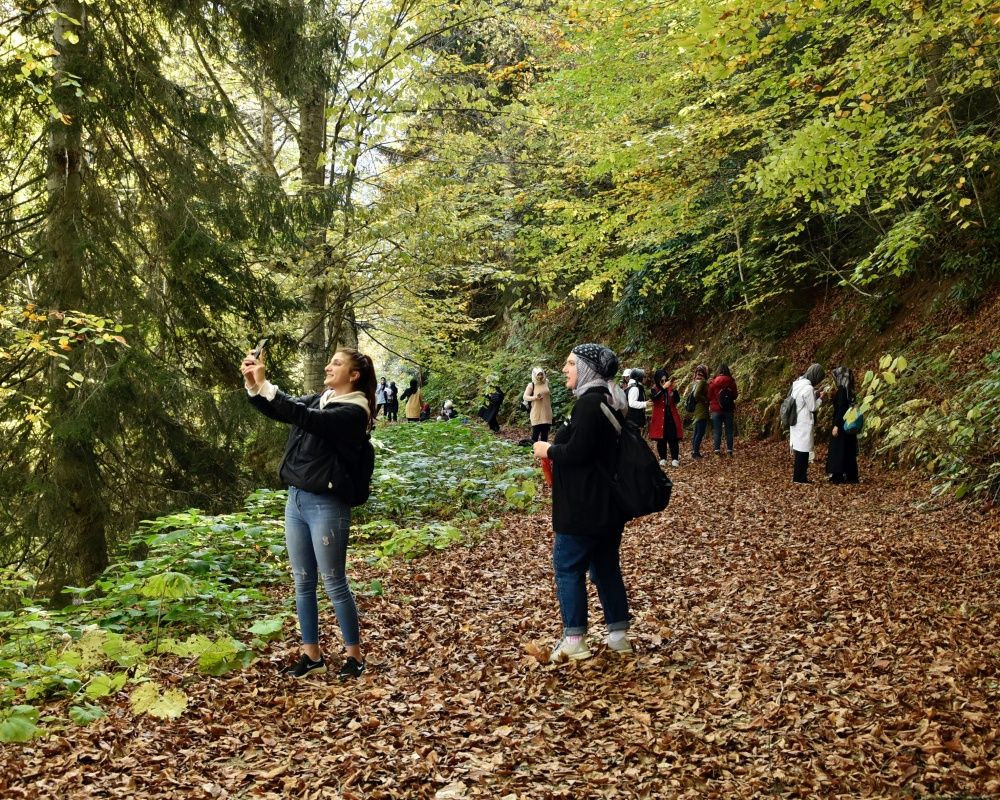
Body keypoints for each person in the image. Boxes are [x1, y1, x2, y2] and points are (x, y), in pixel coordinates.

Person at [241, 346, 373, 680]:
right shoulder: (321, 399)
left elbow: (309, 420)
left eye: (337, 363)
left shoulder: (353, 412)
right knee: (303, 582)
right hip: (297, 500)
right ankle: (311, 654)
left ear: (353, 375)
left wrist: (267, 386)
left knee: (334, 583)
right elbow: (285, 409)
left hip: (327, 504)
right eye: (329, 361)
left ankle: (354, 657)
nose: (329, 366)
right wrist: (254, 385)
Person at [532, 343, 632, 662]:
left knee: (567, 567)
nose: (565, 369)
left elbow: (579, 453)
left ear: (587, 368)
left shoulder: (589, 404)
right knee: (605, 568)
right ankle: (618, 635)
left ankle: (574, 638)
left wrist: (547, 450)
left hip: (583, 507)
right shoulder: (611, 400)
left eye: (571, 363)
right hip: (607, 507)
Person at [790, 363, 824, 484]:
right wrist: (820, 399)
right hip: (804, 422)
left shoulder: (798, 383)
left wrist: (815, 395)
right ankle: (800, 478)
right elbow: (813, 407)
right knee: (803, 452)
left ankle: (798, 477)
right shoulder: (808, 388)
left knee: (799, 451)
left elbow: (801, 401)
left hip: (796, 421)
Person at [826, 366, 859, 484]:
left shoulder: (841, 391)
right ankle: (851, 475)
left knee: (838, 450)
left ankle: (837, 475)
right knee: (849, 451)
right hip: (850, 425)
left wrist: (836, 425)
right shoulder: (851, 390)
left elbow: (841, 409)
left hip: (841, 425)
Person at [650, 368, 683, 467]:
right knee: (661, 439)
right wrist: (664, 388)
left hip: (671, 415)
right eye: (662, 380)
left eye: (665, 380)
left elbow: (677, 400)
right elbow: (655, 398)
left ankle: (675, 459)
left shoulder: (670, 388)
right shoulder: (654, 389)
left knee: (673, 438)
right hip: (659, 416)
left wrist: (675, 391)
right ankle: (663, 458)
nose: (664, 382)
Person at [707, 364, 738, 455]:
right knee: (729, 431)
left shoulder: (713, 383)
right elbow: (735, 395)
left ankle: (717, 451)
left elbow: (709, 396)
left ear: (718, 371)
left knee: (717, 431)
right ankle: (729, 451)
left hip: (716, 410)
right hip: (728, 410)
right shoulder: (731, 382)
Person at [523, 367, 553, 443]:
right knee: (535, 435)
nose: (540, 376)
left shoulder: (546, 382)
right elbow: (525, 397)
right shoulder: (531, 385)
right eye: (538, 375)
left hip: (546, 412)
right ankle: (532, 452)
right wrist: (535, 398)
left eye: (541, 374)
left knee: (545, 435)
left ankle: (543, 453)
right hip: (536, 412)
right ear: (534, 375)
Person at [687, 364, 710, 458]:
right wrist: (705, 400)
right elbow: (696, 395)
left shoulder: (694, 383)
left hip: (696, 409)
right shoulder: (702, 382)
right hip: (701, 409)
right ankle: (695, 452)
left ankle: (694, 451)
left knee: (697, 431)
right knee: (700, 432)